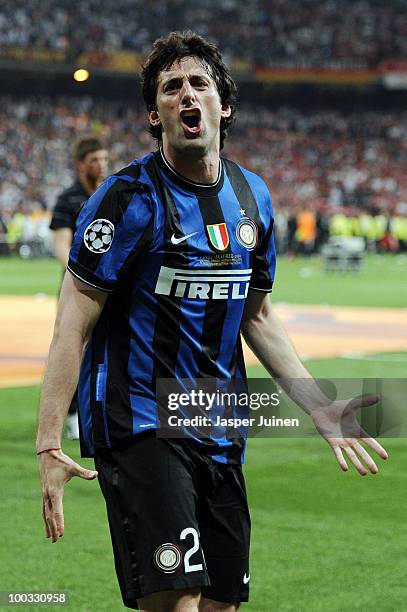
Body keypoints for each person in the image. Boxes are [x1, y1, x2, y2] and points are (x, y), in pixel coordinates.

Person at [37, 32, 388, 612]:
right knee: (179, 598)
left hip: (219, 424)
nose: (186, 95)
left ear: (223, 104)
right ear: (157, 113)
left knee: (221, 603)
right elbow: (71, 323)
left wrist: (319, 405)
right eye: (171, 89)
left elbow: (259, 317)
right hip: (140, 423)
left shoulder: (253, 198)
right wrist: (50, 442)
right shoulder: (126, 198)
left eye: (199, 83)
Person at [49, 135, 108, 439]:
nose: (101, 165)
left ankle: (101, 409)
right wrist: (81, 269)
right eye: (94, 160)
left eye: (104, 159)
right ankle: (72, 414)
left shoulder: (114, 195)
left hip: (111, 287)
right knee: (75, 348)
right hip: (78, 287)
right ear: (80, 164)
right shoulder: (68, 199)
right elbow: (61, 244)